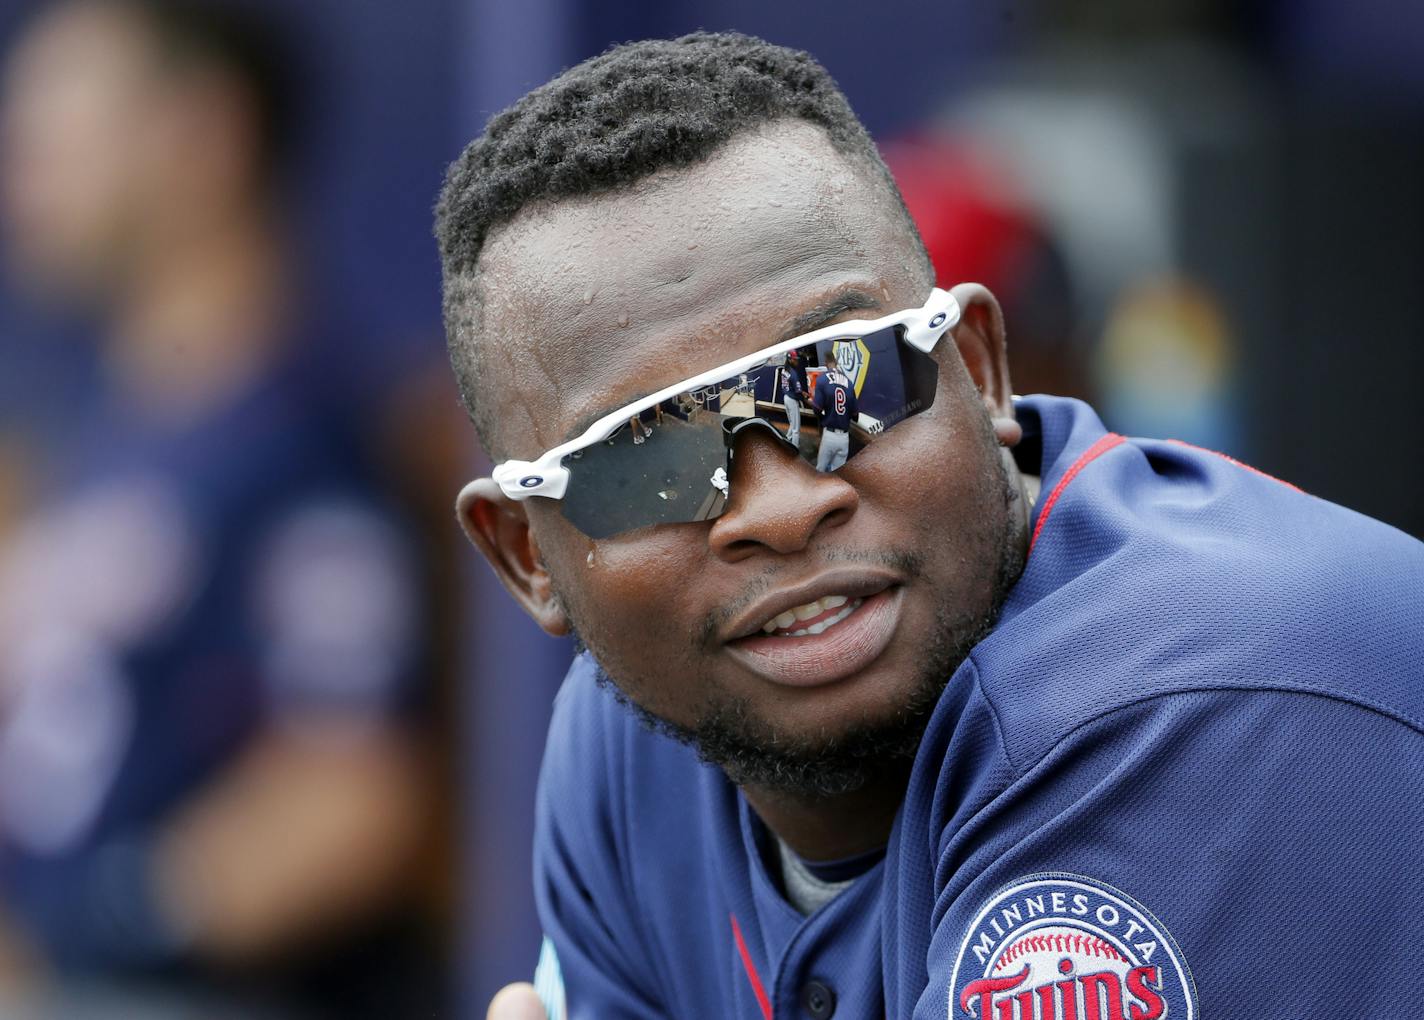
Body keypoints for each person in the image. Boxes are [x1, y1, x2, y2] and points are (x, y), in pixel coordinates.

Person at [435, 33, 1424, 1020]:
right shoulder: (636, 735)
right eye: (647, 460)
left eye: (839, 383)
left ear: (981, 371)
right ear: (529, 556)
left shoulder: (1192, 689)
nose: (779, 508)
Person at [0, 1, 436, 1013]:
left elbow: (354, 798)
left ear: (202, 134)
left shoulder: (300, 439)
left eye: (56, 133)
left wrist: (81, 928)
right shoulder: (103, 437)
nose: (23, 175)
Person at [811, 350, 858, 472]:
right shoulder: (849, 383)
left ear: (826, 363)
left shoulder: (822, 380)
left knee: (820, 472)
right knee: (837, 475)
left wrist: (823, 418)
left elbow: (816, 409)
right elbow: (855, 416)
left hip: (830, 435)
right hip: (844, 438)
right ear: (836, 362)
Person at [781, 348, 806, 449]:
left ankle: (787, 438)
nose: (797, 361)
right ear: (790, 359)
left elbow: (791, 386)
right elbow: (798, 391)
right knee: (796, 428)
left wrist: (801, 392)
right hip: (791, 399)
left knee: (792, 423)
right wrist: (803, 397)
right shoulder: (794, 373)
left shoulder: (784, 369)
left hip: (786, 397)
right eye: (795, 359)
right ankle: (795, 448)